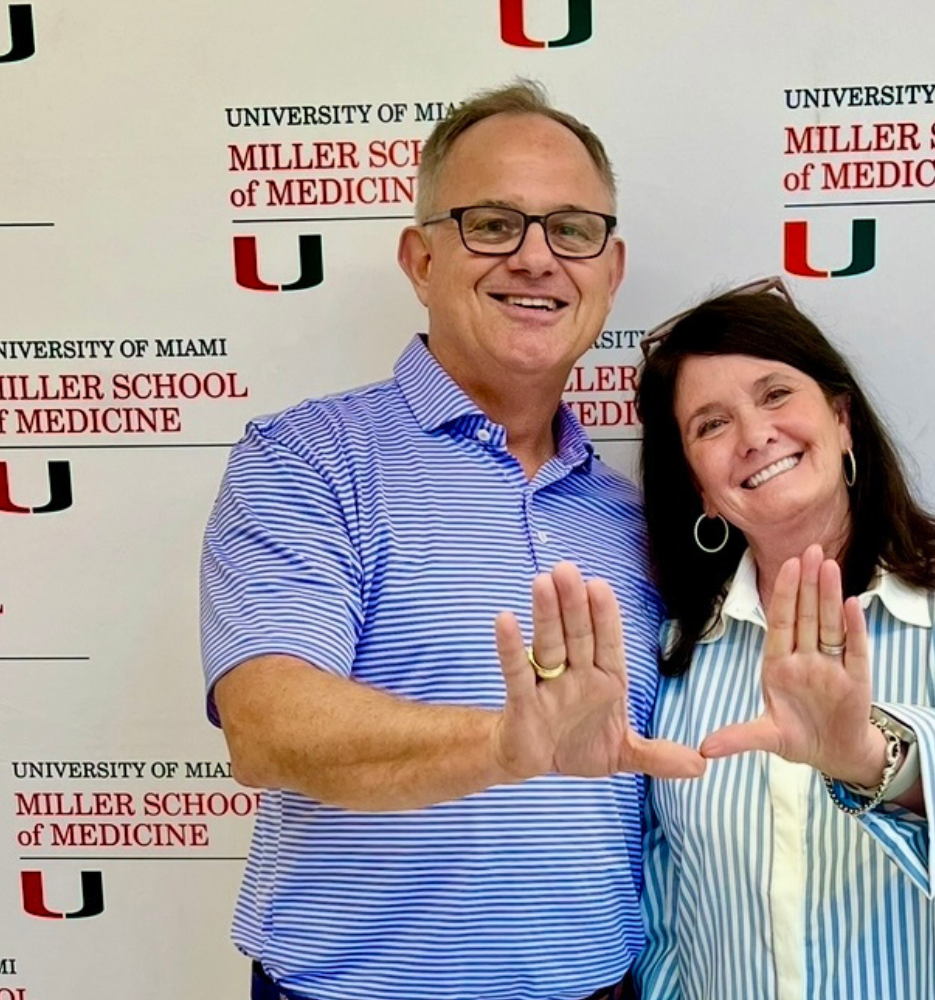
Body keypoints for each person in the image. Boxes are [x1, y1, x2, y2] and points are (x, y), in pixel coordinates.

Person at [199, 81, 702, 1000]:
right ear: (420, 258)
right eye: (493, 224)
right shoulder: (309, 459)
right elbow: (267, 728)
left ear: (611, 269)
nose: (536, 258)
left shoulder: (632, 516)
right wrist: (507, 745)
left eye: (572, 230)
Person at [631, 278, 935, 999]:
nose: (754, 435)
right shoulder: (684, 649)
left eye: (775, 394)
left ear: (842, 419)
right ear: (696, 485)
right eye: (711, 425)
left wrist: (867, 756)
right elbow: (671, 912)